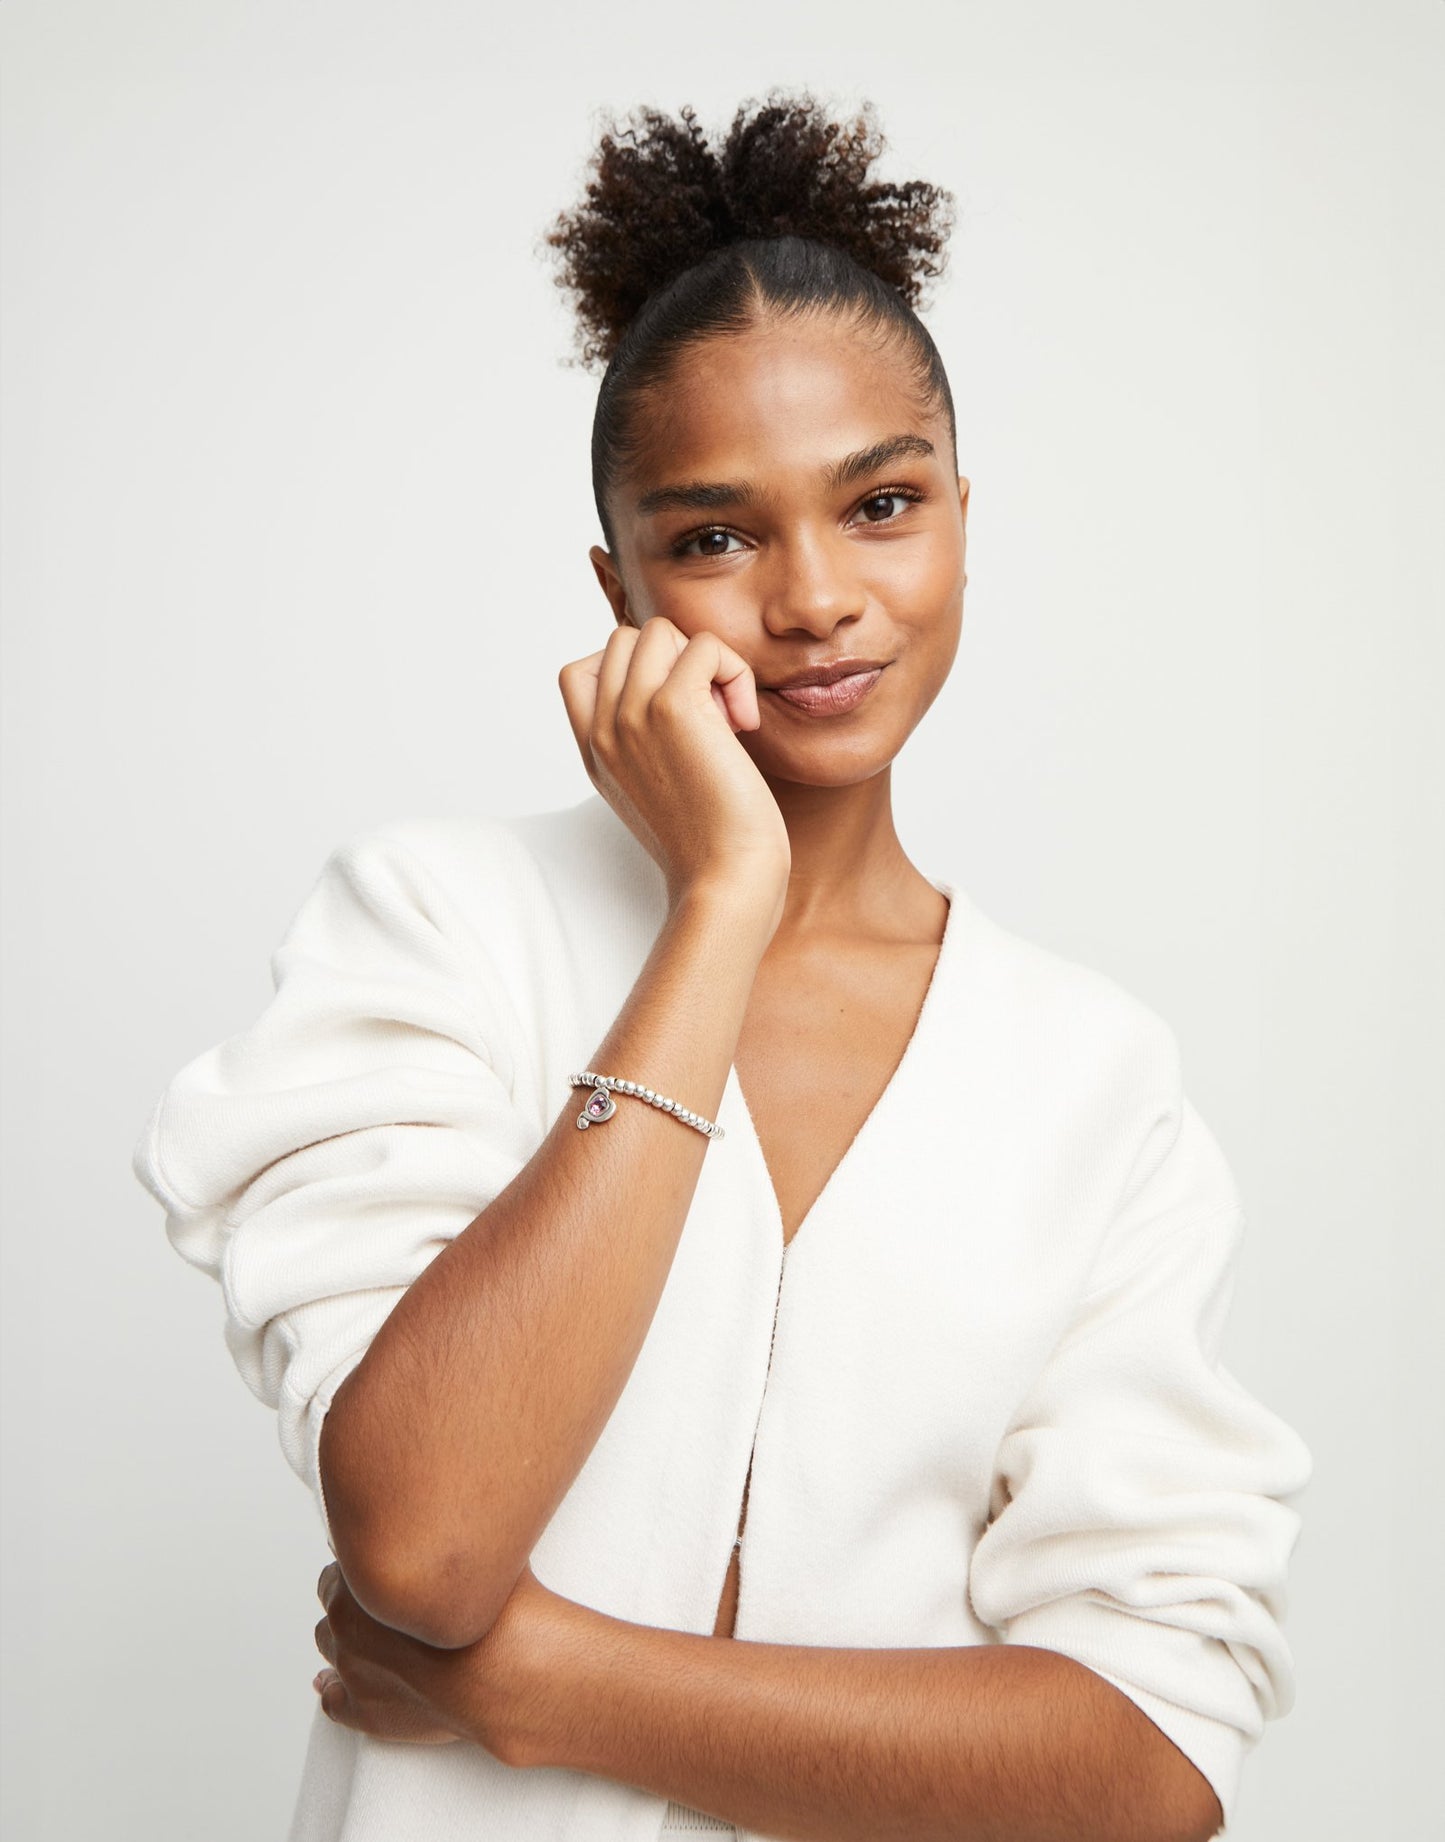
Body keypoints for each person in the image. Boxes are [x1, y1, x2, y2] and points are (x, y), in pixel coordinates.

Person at [132, 92, 1311, 1842]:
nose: (816, 595)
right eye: (714, 537)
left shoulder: (1090, 1078)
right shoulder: (438, 929)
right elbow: (424, 1543)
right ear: (618, 588)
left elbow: (1151, 1762)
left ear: (963, 515)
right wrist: (718, 906)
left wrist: (545, 1682)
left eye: (881, 503)